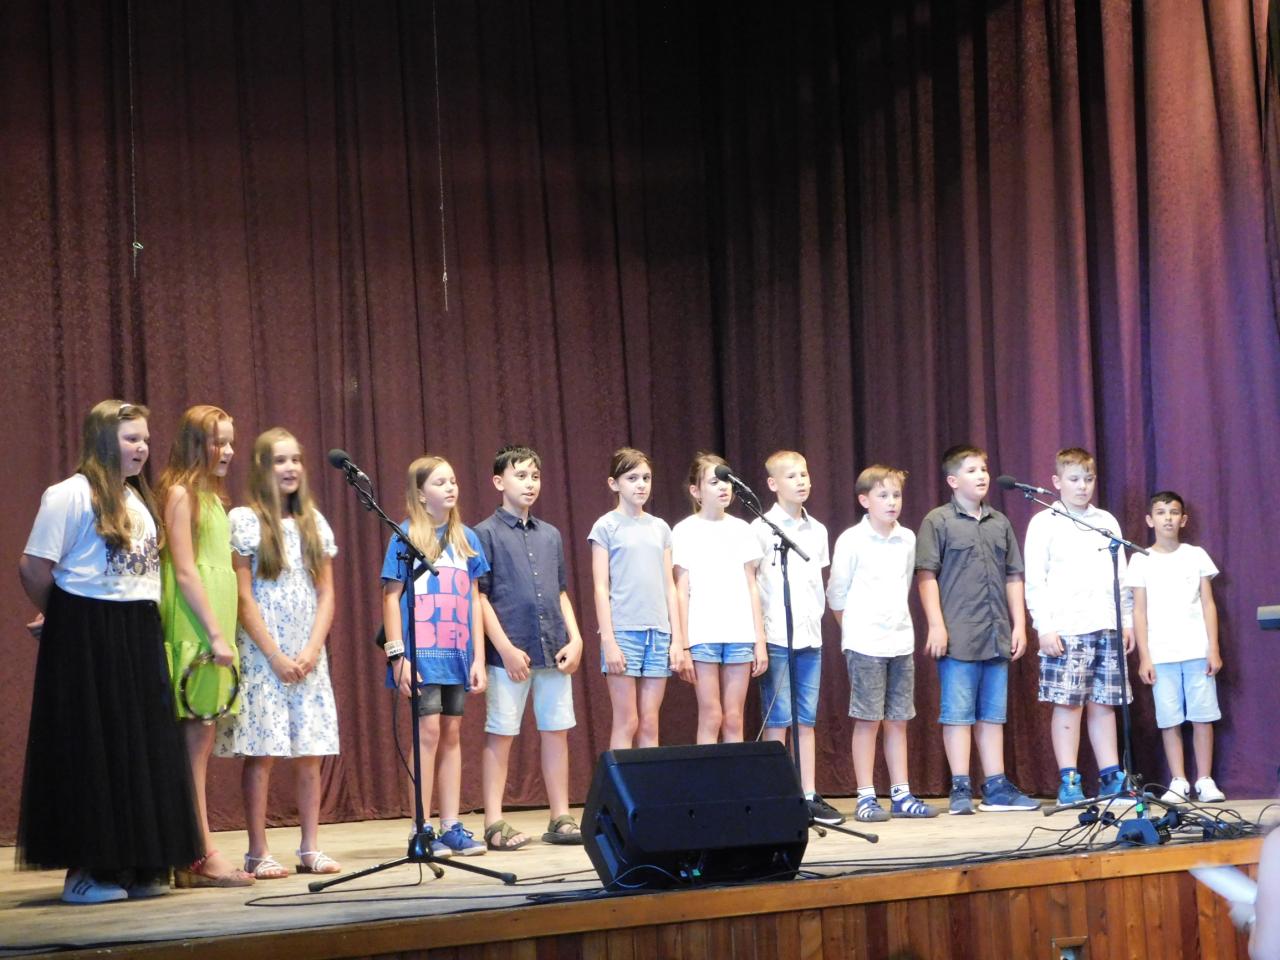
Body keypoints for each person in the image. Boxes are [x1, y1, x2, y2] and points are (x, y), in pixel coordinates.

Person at [17, 399, 202, 903]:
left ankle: (137, 865)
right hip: (88, 632)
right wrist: (63, 617)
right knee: (92, 747)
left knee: (137, 746)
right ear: (103, 440)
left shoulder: (137, 500)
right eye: (130, 438)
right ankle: (87, 872)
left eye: (145, 439)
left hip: (137, 628)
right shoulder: (69, 495)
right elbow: (33, 567)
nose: (142, 448)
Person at [214, 428, 342, 877]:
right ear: (262, 468)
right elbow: (243, 595)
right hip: (263, 655)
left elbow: (326, 593)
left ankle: (310, 847)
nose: (290, 468)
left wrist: (311, 649)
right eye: (279, 460)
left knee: (310, 752)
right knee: (262, 752)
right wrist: (273, 655)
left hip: (307, 654)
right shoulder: (245, 520)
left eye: (295, 460)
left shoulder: (314, 523)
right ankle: (257, 850)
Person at [156, 404, 254, 887]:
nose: (229, 451)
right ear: (197, 444)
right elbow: (184, 569)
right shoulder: (180, 494)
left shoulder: (213, 499)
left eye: (231, 441)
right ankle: (200, 852)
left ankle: (189, 850)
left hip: (212, 629)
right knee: (193, 745)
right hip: (194, 630)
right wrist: (215, 634)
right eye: (220, 441)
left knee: (202, 741)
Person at [916, 444, 1039, 814]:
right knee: (957, 713)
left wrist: (1019, 625)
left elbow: (1014, 576)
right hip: (958, 634)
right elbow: (926, 575)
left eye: (983, 469)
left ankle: (996, 786)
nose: (982, 475)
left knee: (992, 714)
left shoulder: (999, 522)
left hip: (996, 632)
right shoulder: (937, 521)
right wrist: (936, 625)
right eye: (971, 470)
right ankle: (960, 787)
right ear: (953, 480)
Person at [476, 445, 585, 851]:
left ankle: (560, 816)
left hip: (553, 647)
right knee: (501, 733)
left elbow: (561, 592)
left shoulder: (550, 534)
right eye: (520, 475)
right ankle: (493, 821)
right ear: (498, 481)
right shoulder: (484, 533)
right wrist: (504, 647)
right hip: (510, 653)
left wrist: (576, 638)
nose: (530, 483)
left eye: (535, 476)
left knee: (556, 732)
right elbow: (480, 596)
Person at [381, 455, 489, 856]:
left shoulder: (467, 539)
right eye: (440, 482)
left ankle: (451, 825)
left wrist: (478, 658)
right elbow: (390, 598)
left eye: (453, 481)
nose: (450, 488)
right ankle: (421, 827)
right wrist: (398, 656)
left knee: (452, 733)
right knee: (426, 733)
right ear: (421, 494)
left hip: (456, 653)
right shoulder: (405, 536)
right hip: (421, 654)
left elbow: (474, 600)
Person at [1022, 448, 1135, 807]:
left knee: (1105, 703)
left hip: (1107, 624)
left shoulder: (1106, 521)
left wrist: (1126, 620)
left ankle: (1111, 776)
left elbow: (1121, 577)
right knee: (1069, 704)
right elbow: (1035, 580)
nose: (1082, 486)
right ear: (1057, 482)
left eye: (1088, 479)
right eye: (1074, 479)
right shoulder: (1045, 522)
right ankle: (1069, 779)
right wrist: (1044, 627)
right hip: (1067, 627)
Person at [828, 465, 936, 822]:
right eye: (883, 495)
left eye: (896, 495)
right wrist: (854, 631)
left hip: (900, 641)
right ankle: (865, 796)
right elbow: (837, 594)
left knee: (898, 720)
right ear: (865, 501)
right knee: (867, 719)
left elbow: (904, 585)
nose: (892, 502)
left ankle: (901, 794)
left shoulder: (907, 539)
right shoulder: (852, 540)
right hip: (865, 644)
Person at [749, 450, 841, 825]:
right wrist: (759, 637)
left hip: (810, 637)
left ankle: (808, 794)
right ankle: (776, 794)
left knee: (806, 718)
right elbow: (753, 585)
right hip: (775, 636)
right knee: (779, 718)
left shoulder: (817, 530)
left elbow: (818, 583)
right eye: (791, 476)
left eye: (804, 474)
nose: (801, 481)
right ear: (773, 484)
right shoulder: (760, 529)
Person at [1125, 491, 1225, 802]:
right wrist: (1145, 657)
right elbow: (1139, 611)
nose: (1167, 518)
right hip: (1161, 653)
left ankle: (1205, 780)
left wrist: (1213, 648)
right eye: (1160, 512)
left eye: (1173, 512)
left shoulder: (1196, 555)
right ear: (1149, 519)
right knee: (1169, 718)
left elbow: (1208, 604)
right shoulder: (1140, 559)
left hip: (1197, 650)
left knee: (1202, 715)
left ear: (1183, 519)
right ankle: (1179, 780)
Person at [588, 447, 691, 750]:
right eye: (632, 478)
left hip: (658, 634)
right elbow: (600, 586)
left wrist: (677, 639)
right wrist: (608, 640)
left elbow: (669, 586)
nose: (641, 485)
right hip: (624, 632)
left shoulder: (660, 528)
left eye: (646, 478)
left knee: (649, 721)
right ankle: (620, 782)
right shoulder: (606, 526)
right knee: (627, 720)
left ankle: (647, 782)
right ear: (614, 483)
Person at [672, 452, 767, 744]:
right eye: (714, 482)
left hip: (739, 633)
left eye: (726, 481)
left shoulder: (742, 529)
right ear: (696, 491)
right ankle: (708, 774)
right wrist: (683, 644)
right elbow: (681, 590)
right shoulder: (684, 531)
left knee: (734, 717)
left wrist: (759, 640)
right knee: (711, 714)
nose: (723, 487)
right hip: (702, 635)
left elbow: (752, 585)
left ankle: (734, 774)